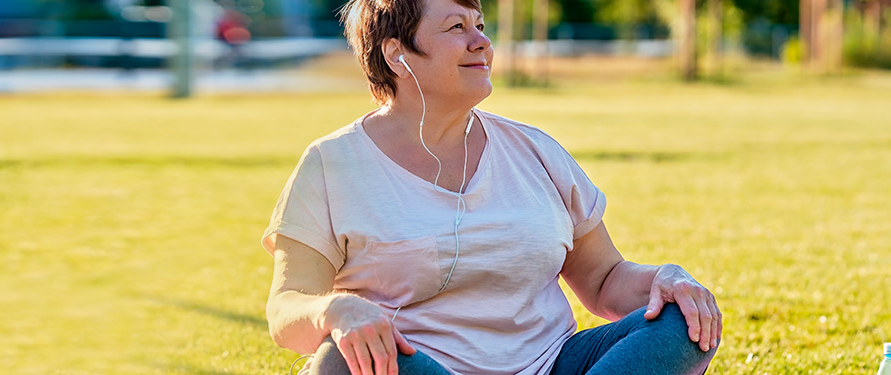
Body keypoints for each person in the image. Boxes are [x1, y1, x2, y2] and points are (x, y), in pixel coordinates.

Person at [259, 0, 723, 373]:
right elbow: (286, 310)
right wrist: (335, 311)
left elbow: (604, 282)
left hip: (554, 365)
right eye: (457, 27)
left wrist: (664, 278)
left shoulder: (534, 150)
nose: (482, 42)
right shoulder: (332, 164)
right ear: (396, 53)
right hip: (419, 367)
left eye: (481, 25)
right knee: (341, 360)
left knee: (683, 320)